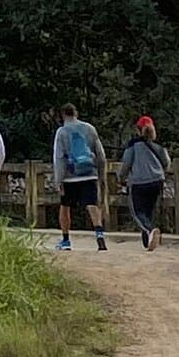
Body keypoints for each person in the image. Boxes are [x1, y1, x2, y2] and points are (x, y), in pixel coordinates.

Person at [53, 103, 108, 252]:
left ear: (63, 115)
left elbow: (59, 158)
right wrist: (101, 174)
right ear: (76, 113)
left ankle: (66, 240)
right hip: (89, 174)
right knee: (92, 205)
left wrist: (58, 180)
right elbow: (101, 155)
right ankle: (99, 236)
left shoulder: (62, 132)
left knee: (65, 207)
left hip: (69, 177)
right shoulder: (89, 128)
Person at [118, 115, 171, 251]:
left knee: (137, 212)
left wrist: (121, 178)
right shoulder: (158, 146)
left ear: (138, 130)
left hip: (138, 182)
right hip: (157, 181)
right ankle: (147, 240)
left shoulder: (133, 145)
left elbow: (126, 164)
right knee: (148, 211)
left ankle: (150, 230)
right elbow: (166, 162)